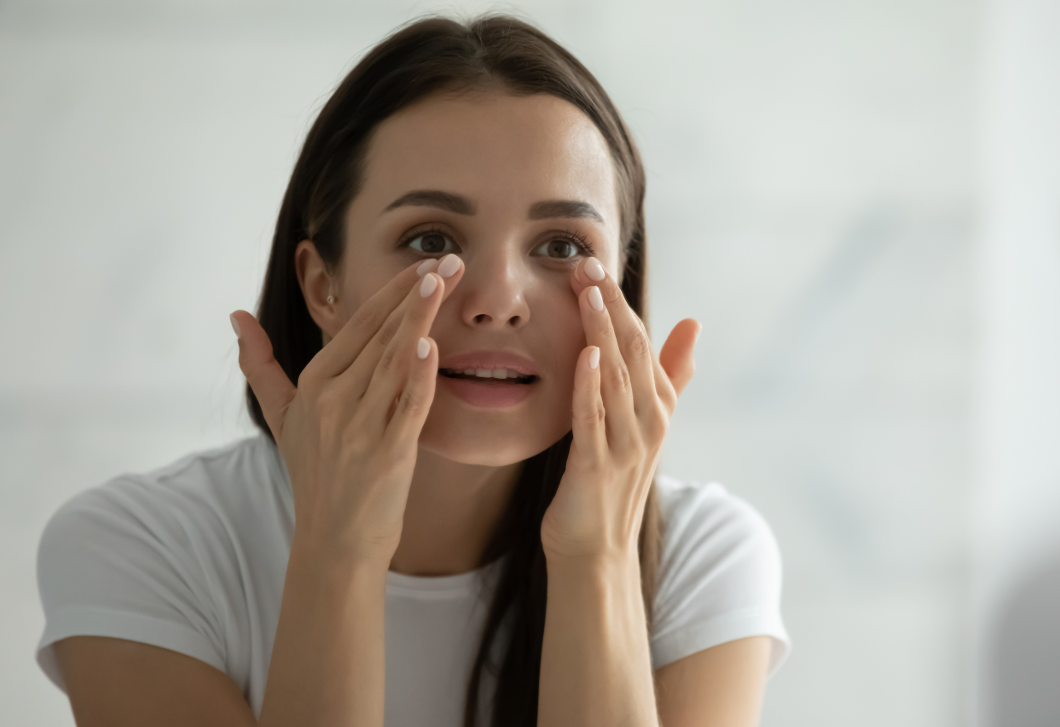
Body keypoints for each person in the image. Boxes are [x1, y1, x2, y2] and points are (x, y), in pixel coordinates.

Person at [35, 14, 790, 727]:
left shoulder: (703, 558)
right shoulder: (144, 548)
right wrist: (340, 546)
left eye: (561, 246)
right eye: (431, 238)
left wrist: (597, 559)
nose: (498, 301)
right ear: (323, 284)